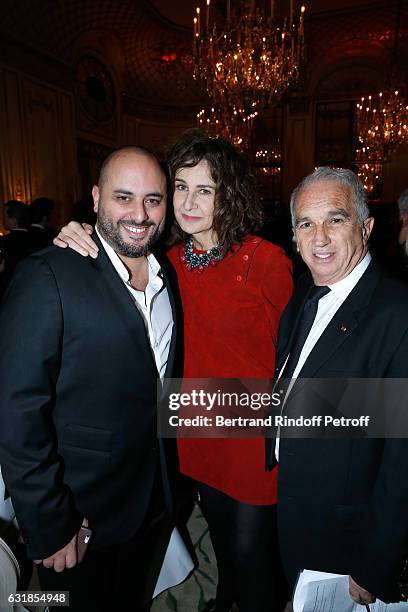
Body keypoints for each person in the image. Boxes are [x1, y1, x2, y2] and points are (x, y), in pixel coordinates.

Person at [54, 129, 293, 612]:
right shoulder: (168, 262)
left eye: (204, 189)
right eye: (180, 187)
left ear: (229, 195)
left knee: (253, 556)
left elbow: (297, 361)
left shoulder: (266, 261)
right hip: (192, 437)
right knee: (225, 549)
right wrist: (77, 232)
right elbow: (111, 260)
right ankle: (226, 598)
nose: (188, 201)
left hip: (251, 443)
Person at [0, 147, 184, 611]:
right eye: (124, 197)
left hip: (152, 500)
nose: (140, 215)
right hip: (78, 515)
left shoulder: (170, 276)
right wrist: (48, 523)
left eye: (153, 199)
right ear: (97, 197)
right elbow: (17, 411)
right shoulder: (48, 275)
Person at [266, 167, 408, 605]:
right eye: (306, 224)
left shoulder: (396, 315)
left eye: (336, 219)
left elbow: (403, 460)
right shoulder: (305, 295)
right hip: (298, 511)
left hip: (350, 541)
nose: (320, 237)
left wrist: (375, 563)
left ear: (366, 227)